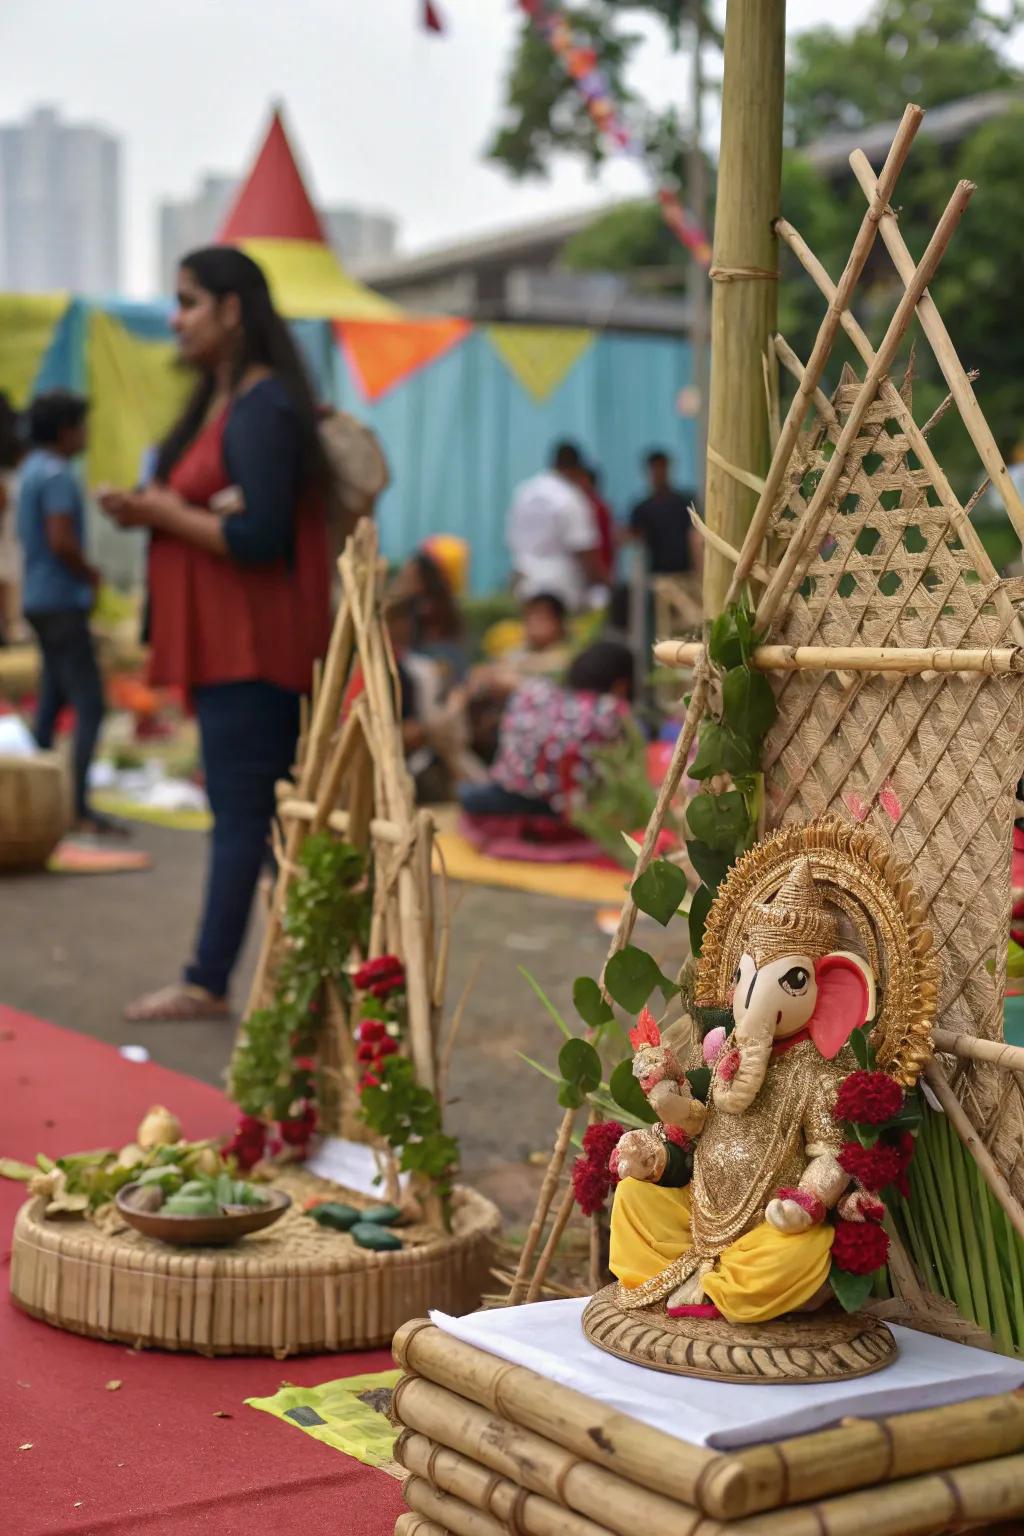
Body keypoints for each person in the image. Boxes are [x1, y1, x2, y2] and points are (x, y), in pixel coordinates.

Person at [99, 246, 332, 1022]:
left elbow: (260, 534)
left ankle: (208, 980)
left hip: (256, 648)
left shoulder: (262, 405)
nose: (177, 317)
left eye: (190, 300)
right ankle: (301, 982)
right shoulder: (225, 400)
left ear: (233, 310)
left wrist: (162, 512)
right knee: (261, 820)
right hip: (236, 646)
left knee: (244, 814)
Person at [17, 390, 113, 833]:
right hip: (60, 601)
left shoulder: (29, 471)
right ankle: (76, 805)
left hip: (37, 598)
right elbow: (60, 538)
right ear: (65, 431)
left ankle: (28, 795)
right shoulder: (57, 474)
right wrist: (89, 573)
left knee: (52, 700)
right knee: (90, 703)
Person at [458, 640, 634, 821]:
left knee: (468, 793)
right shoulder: (612, 710)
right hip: (566, 811)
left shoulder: (534, 691)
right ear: (621, 685)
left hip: (508, 797)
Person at [506, 441, 602, 613]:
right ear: (575, 467)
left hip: (524, 581)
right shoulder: (572, 497)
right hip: (561, 587)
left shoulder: (524, 492)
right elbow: (584, 548)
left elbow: (512, 537)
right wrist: (601, 583)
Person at [628, 449, 701, 576]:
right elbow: (635, 541)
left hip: (685, 572)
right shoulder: (642, 508)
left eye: (662, 468)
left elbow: (695, 536)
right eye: (655, 469)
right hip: (656, 575)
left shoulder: (684, 502)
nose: (659, 473)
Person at [578, 463, 615, 586]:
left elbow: (606, 542)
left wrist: (604, 572)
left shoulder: (599, 508)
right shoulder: (576, 507)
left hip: (597, 570)